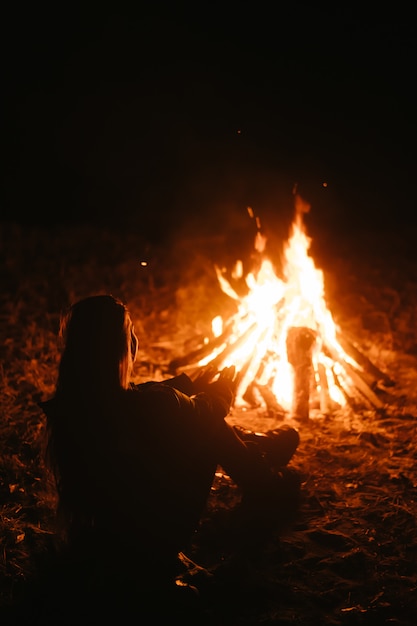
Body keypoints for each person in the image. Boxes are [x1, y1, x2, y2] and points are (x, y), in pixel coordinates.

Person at [39, 294, 300, 621]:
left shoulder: (78, 404)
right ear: (121, 346)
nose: (135, 338)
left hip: (104, 534)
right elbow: (204, 410)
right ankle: (266, 482)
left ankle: (257, 448)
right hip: (153, 539)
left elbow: (148, 394)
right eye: (130, 331)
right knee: (208, 427)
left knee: (194, 422)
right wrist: (222, 392)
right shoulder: (150, 406)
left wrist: (190, 384)